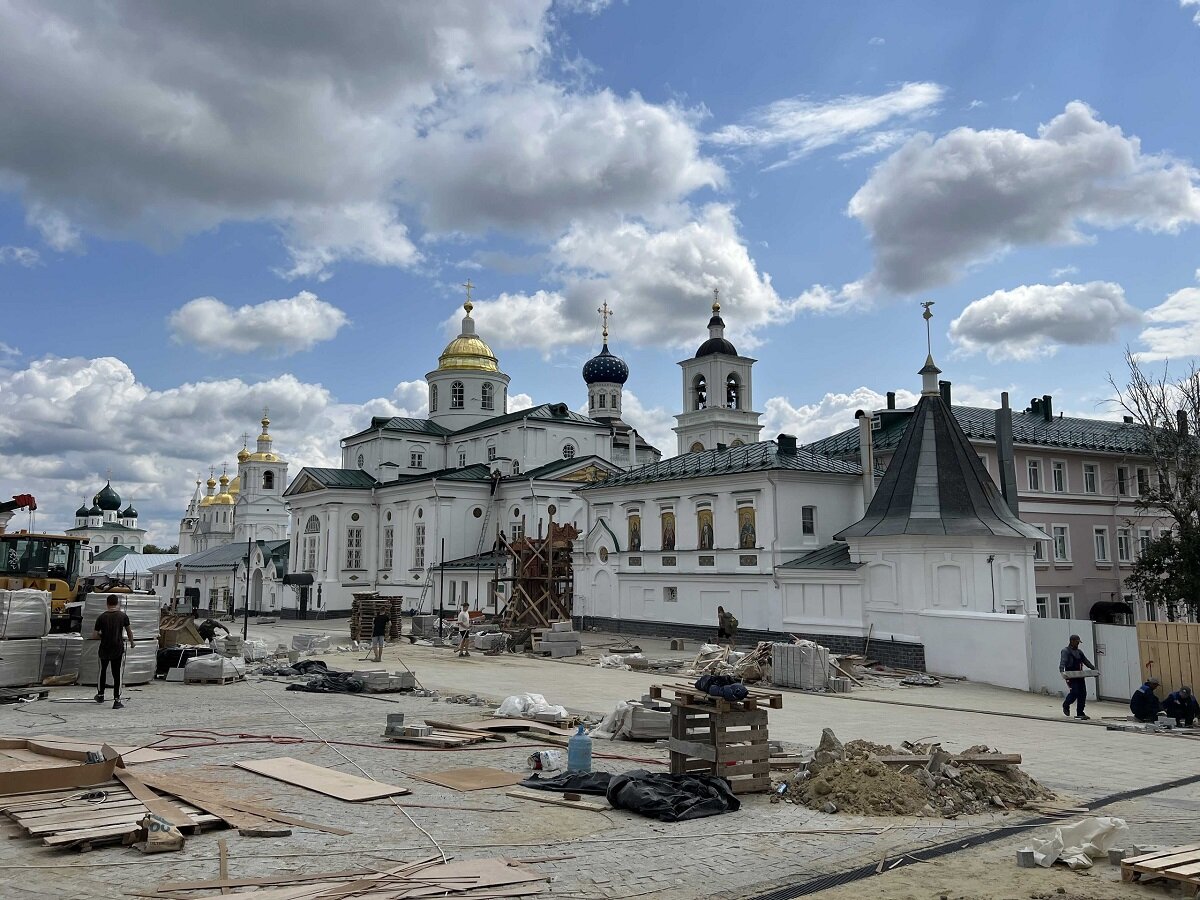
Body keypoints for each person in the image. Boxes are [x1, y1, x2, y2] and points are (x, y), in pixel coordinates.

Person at [90, 594, 134, 710]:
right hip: (118, 649)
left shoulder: (101, 617)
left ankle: (100, 695)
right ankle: (117, 700)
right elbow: (129, 631)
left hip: (104, 648)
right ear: (117, 603)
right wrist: (132, 642)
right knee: (117, 674)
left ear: (107, 603)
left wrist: (103, 636)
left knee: (102, 672)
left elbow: (94, 635)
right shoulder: (123, 616)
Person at [1058, 634, 1097, 720]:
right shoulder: (1065, 651)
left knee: (1083, 693)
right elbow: (1062, 662)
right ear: (1072, 641)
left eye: (1079, 642)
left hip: (1079, 675)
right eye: (1077, 642)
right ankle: (1066, 704)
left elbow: (1086, 661)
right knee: (1075, 692)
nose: (1078, 644)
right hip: (1070, 676)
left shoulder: (1079, 652)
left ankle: (1080, 712)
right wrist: (1062, 672)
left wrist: (1094, 670)